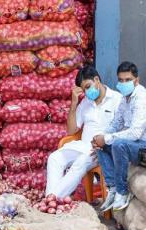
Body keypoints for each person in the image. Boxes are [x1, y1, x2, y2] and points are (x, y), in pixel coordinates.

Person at [46, 66, 122, 198]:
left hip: (102, 149)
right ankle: (51, 199)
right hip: (83, 146)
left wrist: (105, 146)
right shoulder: (85, 102)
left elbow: (124, 131)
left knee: (80, 163)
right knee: (54, 158)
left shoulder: (117, 100)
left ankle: (52, 199)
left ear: (97, 80)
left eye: (88, 86)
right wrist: (74, 103)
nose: (87, 92)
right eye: (84, 90)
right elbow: (71, 131)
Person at [93, 62, 146, 212]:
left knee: (117, 144)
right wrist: (101, 137)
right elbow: (116, 123)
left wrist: (108, 138)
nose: (123, 83)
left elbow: (135, 132)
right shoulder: (125, 98)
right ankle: (114, 188)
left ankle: (123, 192)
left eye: (127, 80)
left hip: (143, 146)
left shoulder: (141, 98)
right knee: (101, 145)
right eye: (121, 80)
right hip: (133, 144)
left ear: (137, 80)